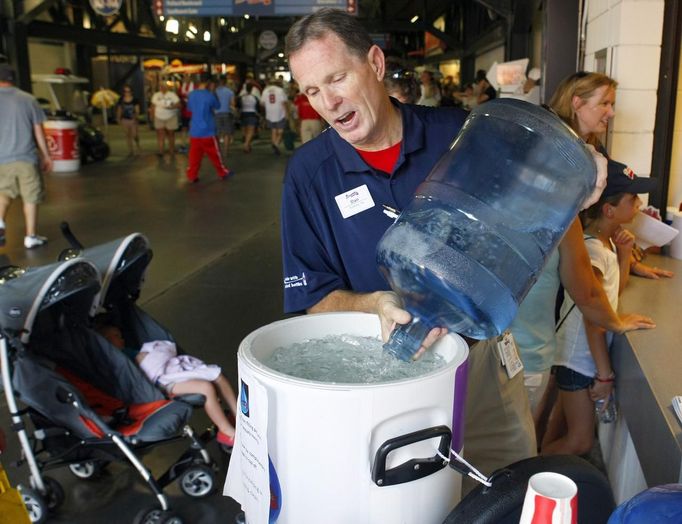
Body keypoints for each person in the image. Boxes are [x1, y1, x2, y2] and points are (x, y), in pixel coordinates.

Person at [280, 8, 576, 495]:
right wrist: (374, 303)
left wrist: (586, 171)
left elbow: (542, 182)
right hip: (389, 370)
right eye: (312, 91)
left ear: (374, 63)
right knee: (413, 499)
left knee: (507, 485)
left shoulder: (460, 135)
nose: (328, 103)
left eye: (336, 78)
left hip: (483, 361)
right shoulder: (310, 174)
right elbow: (313, 296)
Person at [519, 71, 659, 442]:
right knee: (529, 411)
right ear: (577, 102)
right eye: (605, 103)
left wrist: (632, 260)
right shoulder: (560, 161)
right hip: (537, 311)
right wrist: (614, 321)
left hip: (548, 307)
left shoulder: (586, 151)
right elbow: (586, 289)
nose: (611, 112)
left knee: (543, 403)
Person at [541, 164, 656, 455]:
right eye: (633, 199)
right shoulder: (592, 252)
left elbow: (611, 298)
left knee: (559, 428)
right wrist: (605, 376)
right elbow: (594, 318)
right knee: (580, 440)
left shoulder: (603, 246)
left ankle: (534, 466)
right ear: (609, 210)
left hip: (574, 357)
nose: (639, 205)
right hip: (578, 361)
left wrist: (625, 256)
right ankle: (526, 477)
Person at [96, 321, 237, 447]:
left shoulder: (127, 351)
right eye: (116, 336)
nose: (122, 339)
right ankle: (225, 431)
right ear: (106, 341)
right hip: (161, 383)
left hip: (169, 369)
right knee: (206, 388)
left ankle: (239, 415)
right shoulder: (115, 363)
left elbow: (153, 353)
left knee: (218, 375)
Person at [0, 63, 52, 249]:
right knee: (31, 197)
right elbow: (38, 130)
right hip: (25, 157)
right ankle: (30, 236)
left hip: (2, 158)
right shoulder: (28, 99)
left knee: (4, 193)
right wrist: (46, 155)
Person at [186, 77, 232, 183]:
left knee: (194, 156)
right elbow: (217, 106)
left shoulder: (192, 94)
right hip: (208, 131)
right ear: (210, 84)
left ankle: (192, 175)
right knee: (215, 154)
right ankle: (222, 172)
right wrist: (213, 93)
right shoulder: (210, 95)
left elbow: (189, 108)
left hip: (195, 130)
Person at [150, 81, 180, 156]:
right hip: (159, 117)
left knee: (171, 134)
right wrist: (152, 116)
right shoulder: (156, 95)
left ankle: (171, 150)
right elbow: (152, 106)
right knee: (160, 134)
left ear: (167, 87)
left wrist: (172, 107)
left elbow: (179, 105)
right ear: (159, 87)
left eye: (164, 86)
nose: (163, 88)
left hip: (171, 117)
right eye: (161, 86)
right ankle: (161, 151)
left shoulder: (172, 95)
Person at [261, 78, 289, 155]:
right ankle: (276, 144)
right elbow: (284, 103)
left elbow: (262, 103)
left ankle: (274, 146)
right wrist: (287, 113)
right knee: (280, 131)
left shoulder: (265, 90)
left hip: (269, 114)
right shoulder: (280, 90)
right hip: (280, 113)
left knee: (273, 130)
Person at [214, 76, 237, 161]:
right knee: (227, 133)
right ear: (225, 82)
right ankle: (226, 152)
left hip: (216, 114)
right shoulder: (230, 92)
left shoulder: (215, 91)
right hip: (227, 113)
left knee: (218, 133)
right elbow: (233, 104)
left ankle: (218, 151)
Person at [116, 84, 140, 156]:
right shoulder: (121, 100)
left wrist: (136, 116)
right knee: (127, 135)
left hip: (133, 119)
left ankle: (137, 144)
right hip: (124, 119)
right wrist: (118, 118)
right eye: (125, 91)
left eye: (128, 91)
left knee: (134, 134)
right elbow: (119, 109)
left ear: (131, 92)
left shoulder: (135, 99)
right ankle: (131, 150)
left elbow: (137, 110)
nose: (127, 93)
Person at [239, 83, 259, 153]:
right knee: (251, 131)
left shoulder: (242, 97)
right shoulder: (254, 97)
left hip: (243, 114)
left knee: (245, 131)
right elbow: (257, 107)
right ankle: (246, 144)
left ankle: (248, 145)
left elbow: (239, 106)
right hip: (252, 114)